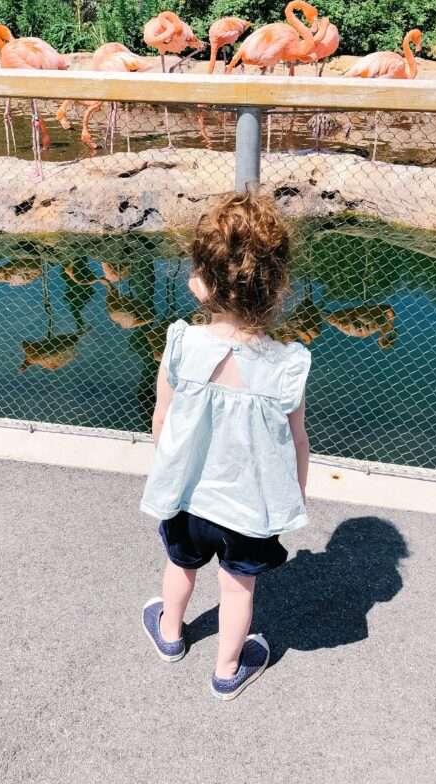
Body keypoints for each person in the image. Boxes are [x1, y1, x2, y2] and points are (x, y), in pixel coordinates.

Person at [139, 192, 312, 700]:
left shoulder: (181, 344)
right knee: (239, 587)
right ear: (278, 287)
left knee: (181, 566)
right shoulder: (286, 365)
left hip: (188, 496)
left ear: (200, 283)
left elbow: (162, 419)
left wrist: (168, 469)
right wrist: (293, 498)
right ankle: (227, 669)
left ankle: (171, 634)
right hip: (247, 506)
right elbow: (296, 441)